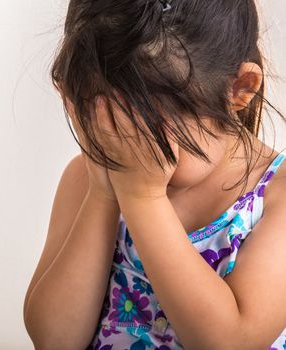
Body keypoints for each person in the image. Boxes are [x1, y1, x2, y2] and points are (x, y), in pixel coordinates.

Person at [23, 0, 286, 349]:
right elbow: (54, 340)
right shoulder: (89, 181)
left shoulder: (276, 196)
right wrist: (102, 196)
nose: (130, 150)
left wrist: (143, 199)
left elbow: (232, 341)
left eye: (149, 130)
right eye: (108, 122)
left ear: (240, 88)